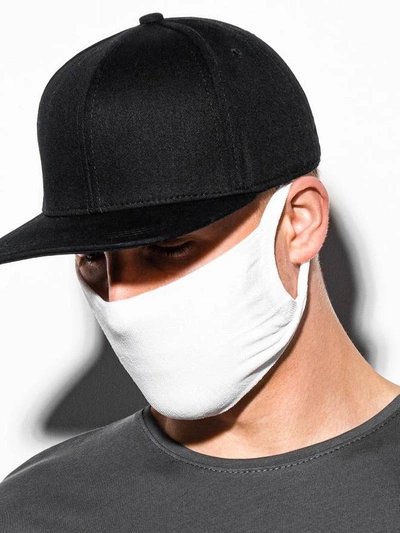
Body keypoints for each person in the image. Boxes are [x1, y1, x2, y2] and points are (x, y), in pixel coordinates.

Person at [0, 11, 399, 532]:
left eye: (169, 248)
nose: (120, 300)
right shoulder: (33, 511)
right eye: (93, 258)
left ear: (299, 223)